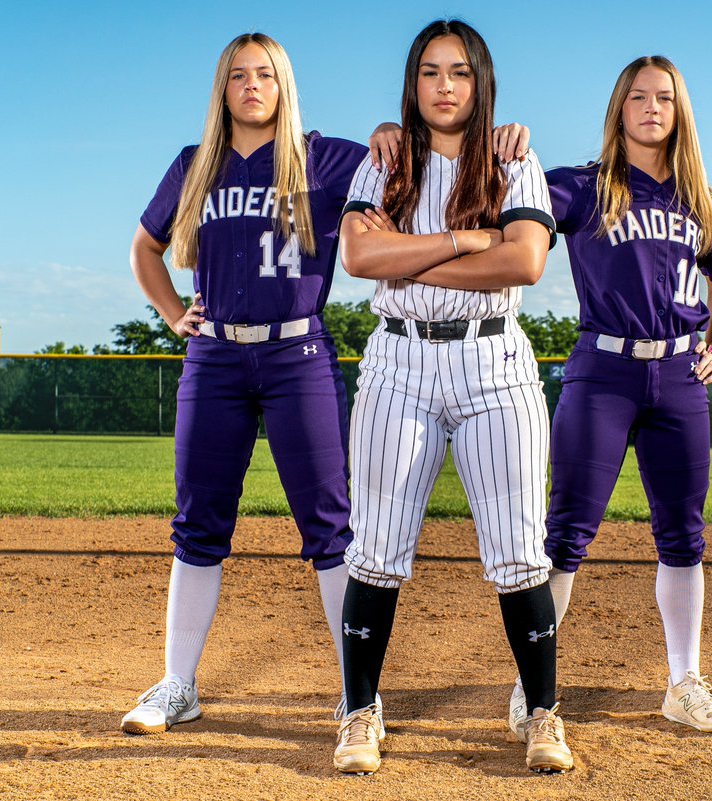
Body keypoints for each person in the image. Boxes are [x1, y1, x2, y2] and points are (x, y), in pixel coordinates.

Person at [122, 33, 530, 736]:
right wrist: (171, 314)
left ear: (284, 85)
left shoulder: (327, 156)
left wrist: (454, 136)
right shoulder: (195, 165)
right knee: (197, 522)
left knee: (331, 524)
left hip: (296, 354)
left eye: (266, 74)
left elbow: (408, 150)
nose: (252, 86)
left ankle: (356, 691)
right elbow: (145, 247)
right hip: (215, 357)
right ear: (222, 89)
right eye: (239, 76)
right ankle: (177, 683)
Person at [332, 19, 573, 775]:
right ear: (412, 84)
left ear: (481, 82)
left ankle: (542, 715)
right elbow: (359, 255)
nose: (444, 85)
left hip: (493, 362)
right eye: (430, 71)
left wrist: (410, 260)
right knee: (374, 549)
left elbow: (526, 261)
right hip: (398, 362)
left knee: (517, 550)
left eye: (460, 72)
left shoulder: (513, 157)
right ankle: (360, 714)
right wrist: (470, 243)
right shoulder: (385, 160)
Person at [534, 55, 712, 736]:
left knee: (682, 536)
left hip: (680, 377)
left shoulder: (698, 198)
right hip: (603, 371)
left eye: (665, 98)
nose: (653, 107)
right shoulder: (581, 186)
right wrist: (508, 148)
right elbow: (513, 204)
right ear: (619, 108)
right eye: (639, 96)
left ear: (679, 113)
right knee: (566, 533)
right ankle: (533, 688)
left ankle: (684, 682)